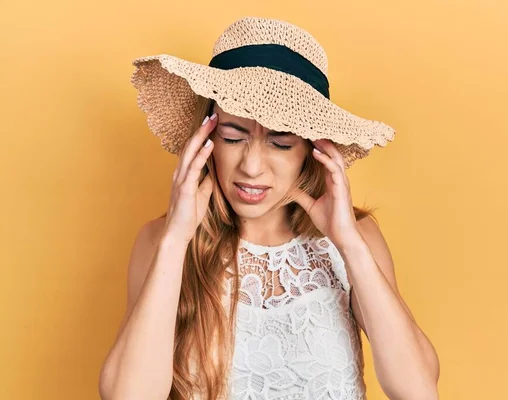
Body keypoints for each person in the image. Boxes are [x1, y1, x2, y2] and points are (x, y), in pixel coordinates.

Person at [99, 16, 440, 400]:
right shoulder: (162, 241)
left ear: (311, 151)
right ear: (206, 139)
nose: (252, 166)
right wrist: (176, 240)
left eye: (280, 143)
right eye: (233, 137)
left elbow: (418, 391)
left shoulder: (355, 240)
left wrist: (350, 246)